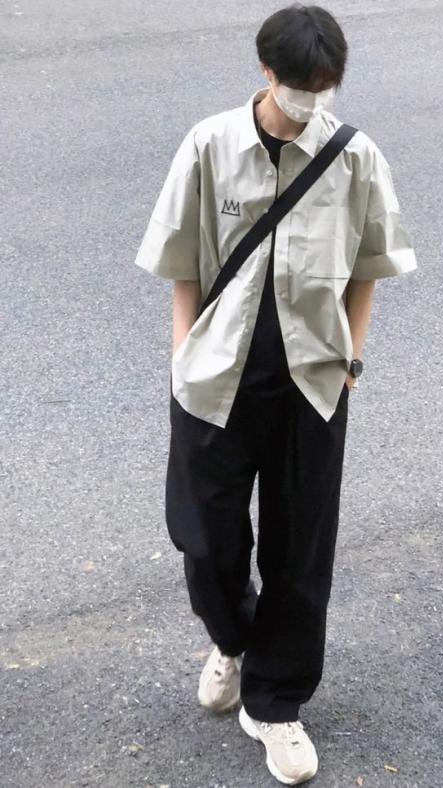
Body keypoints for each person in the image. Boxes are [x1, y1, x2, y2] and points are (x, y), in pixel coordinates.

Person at [134, 3, 417, 784]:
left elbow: (370, 267)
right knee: (204, 538)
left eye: (324, 88)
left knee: (301, 549)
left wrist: (352, 358)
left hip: (312, 384)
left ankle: (276, 702)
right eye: (300, 86)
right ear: (267, 72)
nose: (310, 101)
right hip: (214, 381)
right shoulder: (210, 144)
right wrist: (182, 360)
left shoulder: (355, 157)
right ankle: (232, 638)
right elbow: (182, 264)